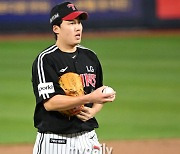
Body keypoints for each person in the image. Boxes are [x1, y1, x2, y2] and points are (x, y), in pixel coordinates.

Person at [32, 2, 116, 154]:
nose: (78, 28)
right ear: (56, 28)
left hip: (88, 139)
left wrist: (94, 110)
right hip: (55, 142)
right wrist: (89, 98)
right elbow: (50, 103)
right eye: (71, 23)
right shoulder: (46, 59)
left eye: (79, 23)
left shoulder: (90, 57)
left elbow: (98, 91)